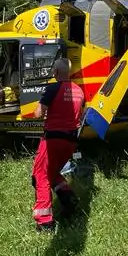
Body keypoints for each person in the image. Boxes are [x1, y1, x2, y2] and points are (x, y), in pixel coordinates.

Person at [31, 57, 85, 233]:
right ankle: (69, 199)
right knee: (53, 173)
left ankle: (45, 221)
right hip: (70, 141)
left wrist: (38, 108)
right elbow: (79, 115)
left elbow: (38, 113)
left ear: (55, 72)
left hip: (53, 139)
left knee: (40, 176)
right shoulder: (79, 91)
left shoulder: (52, 88)